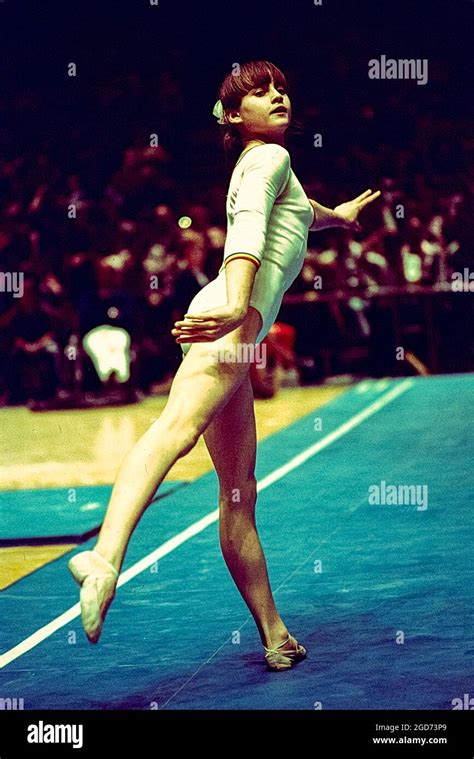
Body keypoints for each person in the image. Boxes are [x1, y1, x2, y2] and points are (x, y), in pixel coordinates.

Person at [68, 60, 380, 671]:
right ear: (236, 118)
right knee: (174, 432)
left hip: (234, 326)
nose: (277, 95)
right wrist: (240, 304)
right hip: (231, 319)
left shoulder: (265, 164)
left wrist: (336, 216)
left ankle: (274, 634)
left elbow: (292, 211)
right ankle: (104, 559)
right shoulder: (268, 159)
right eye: (260, 93)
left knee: (238, 492)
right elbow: (248, 231)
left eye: (281, 88)